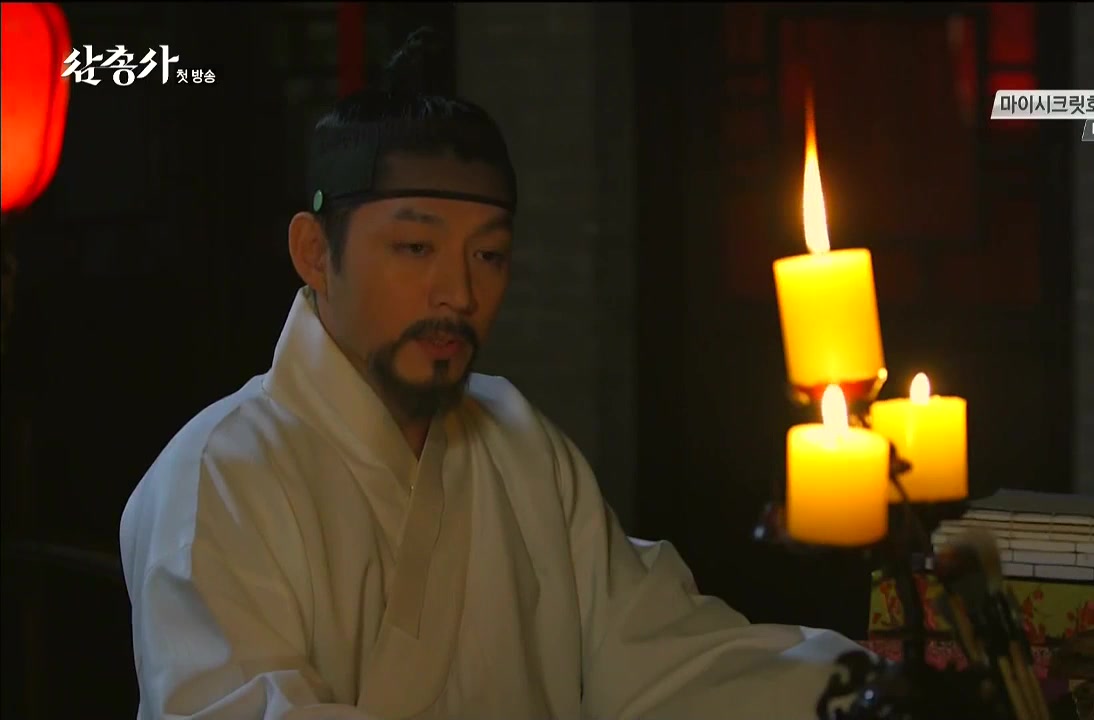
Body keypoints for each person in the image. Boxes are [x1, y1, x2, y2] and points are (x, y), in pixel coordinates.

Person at [120, 27, 867, 720]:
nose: (460, 292)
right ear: (316, 254)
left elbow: (663, 657)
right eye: (416, 249)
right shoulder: (219, 476)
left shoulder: (516, 440)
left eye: (489, 254)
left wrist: (864, 689)